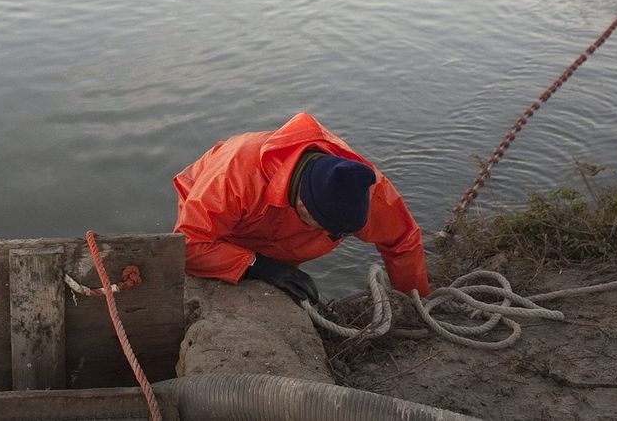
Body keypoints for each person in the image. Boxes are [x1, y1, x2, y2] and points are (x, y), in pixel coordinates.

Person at [172, 112, 429, 305]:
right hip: (220, 222)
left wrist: (415, 303)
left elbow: (403, 242)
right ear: (303, 205)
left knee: (289, 285)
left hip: (280, 233)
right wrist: (257, 266)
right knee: (214, 267)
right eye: (327, 229)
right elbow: (188, 245)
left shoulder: (366, 190)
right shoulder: (236, 176)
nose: (334, 238)